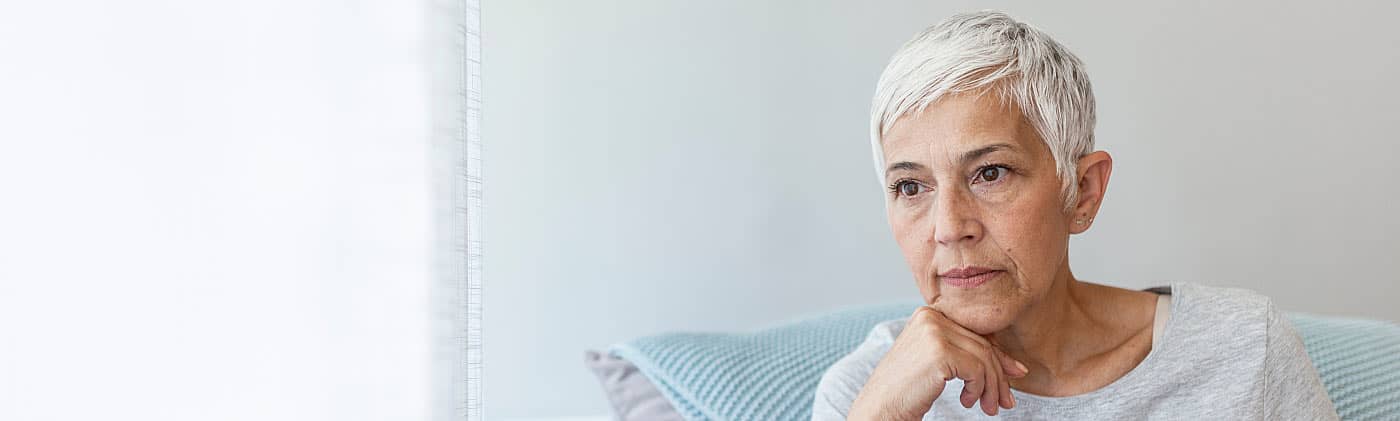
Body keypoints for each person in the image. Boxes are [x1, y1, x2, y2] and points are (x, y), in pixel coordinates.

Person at [810, 10, 1338, 420]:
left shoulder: (1243, 350)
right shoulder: (865, 393)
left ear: (1081, 191)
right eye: (910, 186)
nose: (949, 228)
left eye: (990, 173)